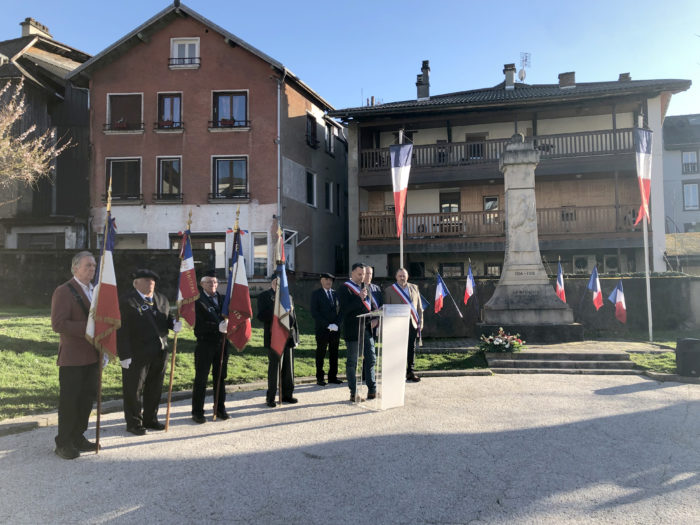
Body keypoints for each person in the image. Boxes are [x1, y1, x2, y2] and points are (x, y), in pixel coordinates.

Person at [117, 269, 181, 435]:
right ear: (136, 283)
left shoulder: (161, 299)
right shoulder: (127, 301)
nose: (150, 283)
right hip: (137, 353)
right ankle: (134, 422)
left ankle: (150, 419)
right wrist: (124, 354)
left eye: (152, 281)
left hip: (160, 352)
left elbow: (165, 318)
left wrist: (173, 323)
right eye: (146, 280)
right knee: (134, 389)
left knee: (155, 387)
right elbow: (122, 330)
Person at [50, 251, 101, 459]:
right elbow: (58, 324)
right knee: (70, 401)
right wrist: (89, 327)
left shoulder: (95, 291)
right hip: (72, 357)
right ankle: (63, 442)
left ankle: (78, 436)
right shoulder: (64, 291)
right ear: (75, 268)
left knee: (86, 400)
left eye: (94, 266)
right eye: (87, 265)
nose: (92, 269)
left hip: (92, 355)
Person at [191, 272, 229, 424]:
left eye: (214, 282)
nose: (212, 285)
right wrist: (216, 326)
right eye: (208, 282)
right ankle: (198, 412)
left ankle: (219, 408)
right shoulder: (197, 301)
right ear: (202, 285)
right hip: (205, 344)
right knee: (201, 379)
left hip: (222, 344)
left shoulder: (223, 299)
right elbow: (198, 326)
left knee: (220, 377)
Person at [257, 274, 299, 407]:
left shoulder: (288, 297)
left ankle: (287, 394)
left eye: (281, 282)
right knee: (275, 368)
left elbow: (294, 318)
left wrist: (296, 337)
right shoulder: (264, 296)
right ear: (272, 283)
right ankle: (271, 398)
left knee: (288, 368)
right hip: (274, 336)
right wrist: (277, 310)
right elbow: (261, 315)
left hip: (288, 336)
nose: (279, 284)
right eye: (276, 282)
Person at [337, 262, 377, 402]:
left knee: (371, 358)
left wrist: (375, 316)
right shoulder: (344, 288)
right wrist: (358, 297)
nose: (362, 277)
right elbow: (345, 309)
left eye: (364, 274)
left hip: (366, 328)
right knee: (353, 362)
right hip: (353, 330)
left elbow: (370, 307)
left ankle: (372, 390)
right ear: (352, 273)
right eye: (360, 274)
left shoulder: (365, 287)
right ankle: (353, 392)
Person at [383, 267, 423, 382]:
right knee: (397, 348)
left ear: (407, 276)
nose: (402, 278)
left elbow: (419, 307)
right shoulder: (390, 290)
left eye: (404, 276)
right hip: (396, 324)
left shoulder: (414, 288)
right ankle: (397, 372)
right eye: (400, 276)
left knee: (411, 347)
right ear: (396, 277)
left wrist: (420, 322)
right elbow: (387, 308)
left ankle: (410, 371)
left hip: (412, 322)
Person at [309, 272, 342, 386]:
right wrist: (327, 324)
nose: (329, 282)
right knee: (321, 353)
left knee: (334, 353)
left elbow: (341, 311)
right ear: (321, 281)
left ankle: (333, 376)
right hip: (322, 329)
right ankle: (320, 377)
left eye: (331, 280)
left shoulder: (336, 294)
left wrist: (337, 324)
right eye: (326, 279)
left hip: (335, 329)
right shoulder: (316, 294)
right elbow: (314, 312)